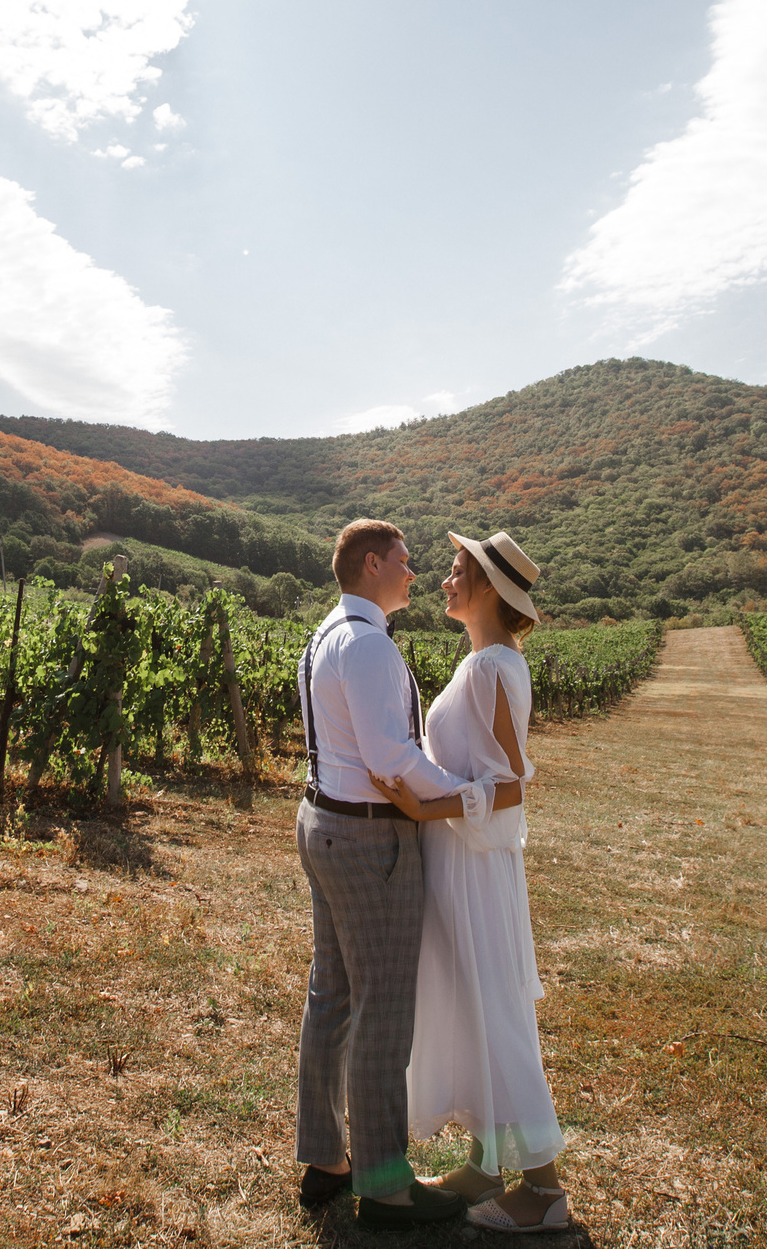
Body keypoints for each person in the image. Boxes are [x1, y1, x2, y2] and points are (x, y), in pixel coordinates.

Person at [371, 530, 570, 1234]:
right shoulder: (485, 661)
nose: (445, 580)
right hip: (462, 861)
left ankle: (545, 1192)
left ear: (487, 586)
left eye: (457, 571)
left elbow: (510, 786)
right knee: (476, 1008)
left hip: (474, 868)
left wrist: (425, 807)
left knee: (497, 1014)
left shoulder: (490, 669)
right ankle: (486, 1166)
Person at [293, 519, 472, 1230]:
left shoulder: (327, 634)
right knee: (383, 1007)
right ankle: (387, 1184)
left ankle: (326, 1158)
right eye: (403, 560)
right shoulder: (367, 644)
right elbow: (390, 758)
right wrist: (466, 795)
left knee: (332, 992)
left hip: (324, 820)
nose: (413, 573)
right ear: (372, 564)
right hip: (369, 839)